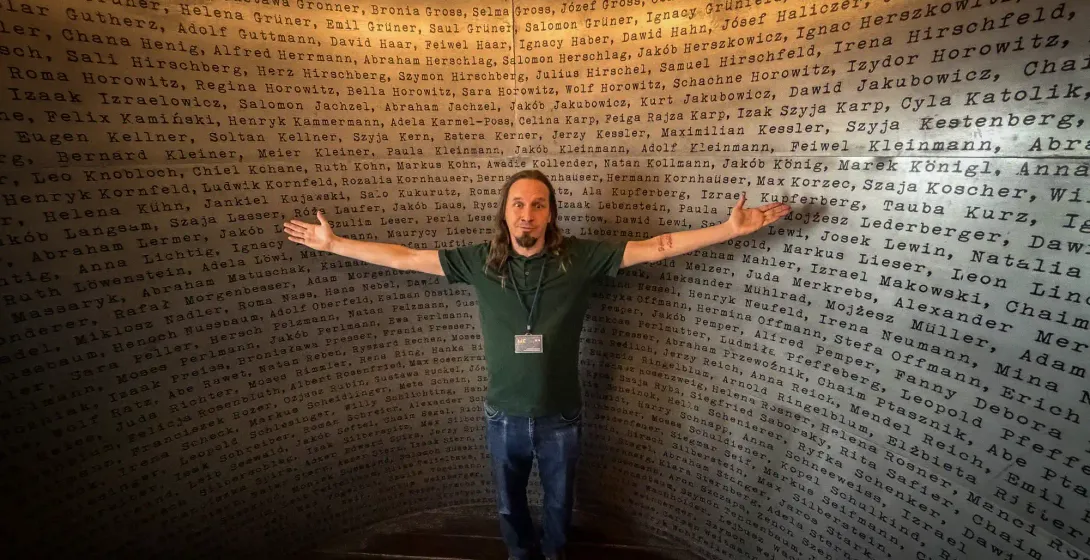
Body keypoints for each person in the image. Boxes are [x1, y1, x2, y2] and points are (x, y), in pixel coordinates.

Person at [283, 169, 790, 560]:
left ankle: (553, 553)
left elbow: (658, 248)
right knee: (509, 505)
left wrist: (728, 229)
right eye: (518, 204)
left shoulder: (579, 258)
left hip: (560, 416)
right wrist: (335, 244)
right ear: (504, 213)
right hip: (502, 415)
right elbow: (403, 257)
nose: (527, 214)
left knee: (558, 505)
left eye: (538, 205)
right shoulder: (479, 261)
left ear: (551, 214)